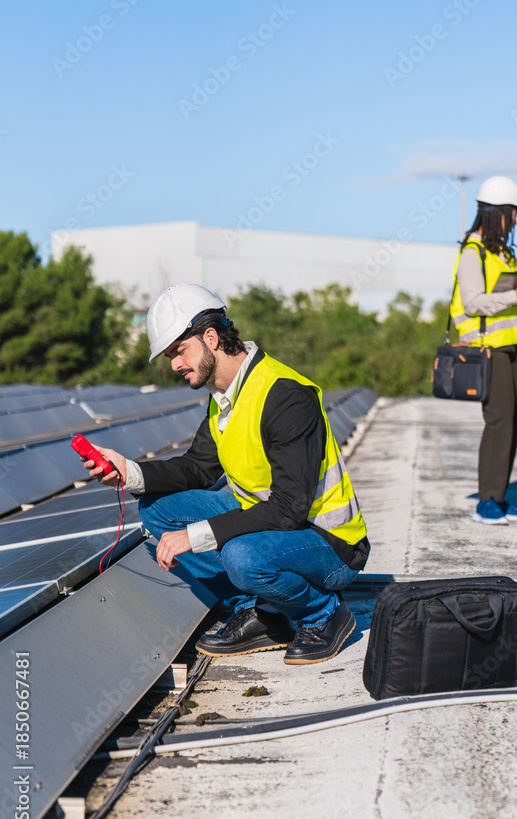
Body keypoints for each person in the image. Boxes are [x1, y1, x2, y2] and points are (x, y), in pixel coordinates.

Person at [82, 283, 370, 663]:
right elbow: (199, 468)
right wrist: (129, 472)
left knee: (241, 557)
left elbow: (289, 508)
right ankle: (264, 613)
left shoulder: (285, 395)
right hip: (274, 526)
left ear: (211, 337)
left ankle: (324, 614)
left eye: (179, 351)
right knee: (158, 510)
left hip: (328, 543)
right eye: (170, 355)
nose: (174, 365)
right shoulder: (223, 399)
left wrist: (197, 536)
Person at [450, 175, 517, 525]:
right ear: (496, 214)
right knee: (498, 421)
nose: (515, 220)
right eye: (512, 213)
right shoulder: (471, 253)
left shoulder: (502, 252)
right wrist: (515, 295)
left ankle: (500, 498)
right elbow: (473, 303)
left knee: (513, 422)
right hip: (491, 349)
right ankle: (486, 501)